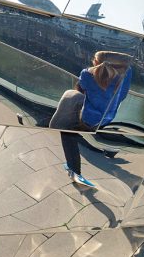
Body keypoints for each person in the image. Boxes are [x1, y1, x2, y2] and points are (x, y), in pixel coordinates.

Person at [49, 51, 132, 188]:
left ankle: (74, 171)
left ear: (95, 62)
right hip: (108, 117)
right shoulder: (127, 73)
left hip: (88, 119)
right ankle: (110, 147)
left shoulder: (87, 74)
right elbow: (123, 95)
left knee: (67, 131)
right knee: (92, 124)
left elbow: (81, 89)